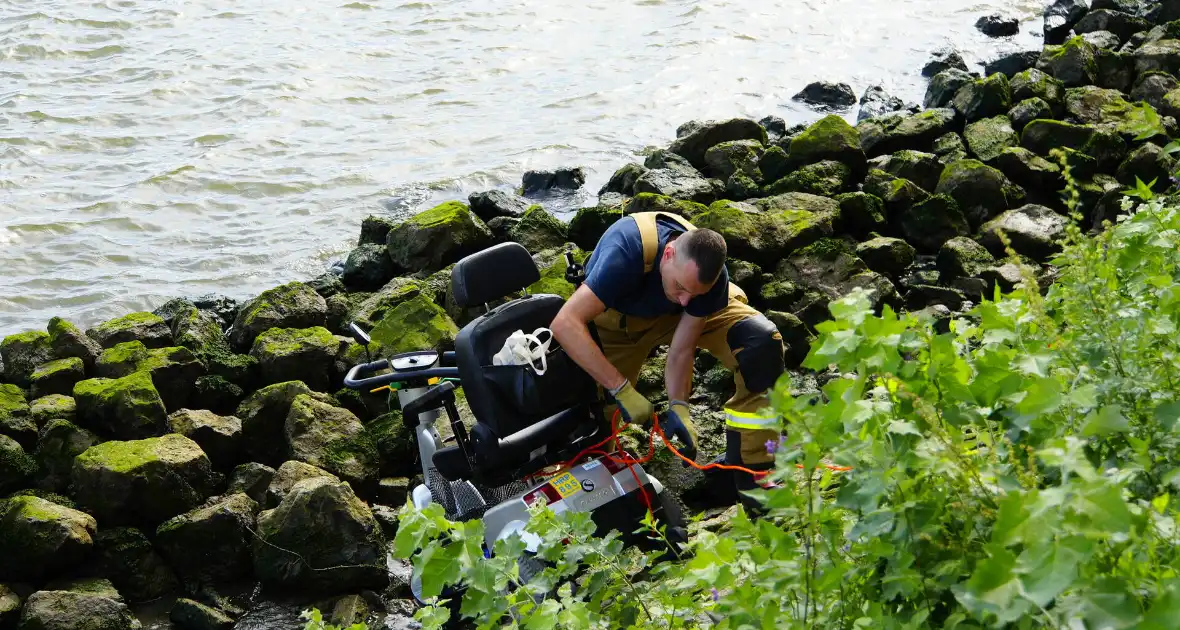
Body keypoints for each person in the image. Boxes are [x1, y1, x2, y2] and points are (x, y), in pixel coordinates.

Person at [550, 210, 787, 506]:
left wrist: (679, 406)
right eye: (681, 288)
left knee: (759, 344)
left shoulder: (705, 282)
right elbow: (564, 323)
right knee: (591, 422)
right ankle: (595, 500)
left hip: (671, 321)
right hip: (618, 327)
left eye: (695, 294)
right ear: (668, 254)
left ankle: (749, 471)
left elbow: (681, 349)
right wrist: (621, 389)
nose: (687, 299)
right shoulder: (626, 250)